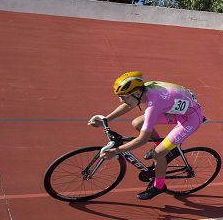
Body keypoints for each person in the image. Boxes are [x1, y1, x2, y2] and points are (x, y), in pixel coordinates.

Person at [88, 71, 205, 200]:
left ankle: (159, 186)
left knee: (157, 154)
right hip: (175, 111)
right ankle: (163, 148)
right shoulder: (145, 89)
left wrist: (115, 151)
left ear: (137, 93)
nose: (121, 100)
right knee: (137, 123)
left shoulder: (154, 104)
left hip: (191, 119)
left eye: (124, 96)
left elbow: (142, 140)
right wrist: (106, 119)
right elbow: (128, 105)